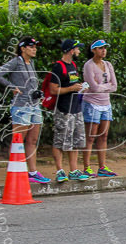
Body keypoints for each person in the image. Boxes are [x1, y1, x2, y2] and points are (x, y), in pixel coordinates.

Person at [0, 37, 49, 184]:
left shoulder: (32, 62)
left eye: (36, 46)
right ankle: (15, 171)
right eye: (31, 46)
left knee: (33, 139)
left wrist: (38, 93)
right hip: (21, 106)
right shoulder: (16, 61)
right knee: (18, 140)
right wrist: (11, 87)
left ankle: (33, 172)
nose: (34, 49)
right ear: (23, 48)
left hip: (34, 105)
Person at [50, 39, 89, 182]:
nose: (79, 51)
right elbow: (53, 90)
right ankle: (59, 170)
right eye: (77, 48)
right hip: (64, 109)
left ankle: (73, 170)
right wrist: (71, 89)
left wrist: (81, 88)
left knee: (76, 140)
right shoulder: (58, 67)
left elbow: (74, 84)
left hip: (76, 108)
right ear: (71, 50)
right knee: (60, 140)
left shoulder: (73, 65)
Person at [81, 39, 118, 177]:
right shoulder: (88, 65)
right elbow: (93, 87)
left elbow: (114, 86)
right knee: (90, 136)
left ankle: (102, 166)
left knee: (103, 136)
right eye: (100, 48)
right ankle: (87, 167)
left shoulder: (108, 65)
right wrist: (105, 86)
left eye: (105, 48)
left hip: (106, 104)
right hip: (92, 103)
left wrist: (102, 87)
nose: (103, 50)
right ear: (93, 50)